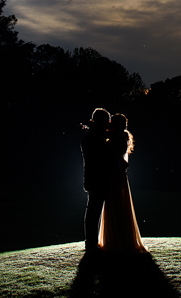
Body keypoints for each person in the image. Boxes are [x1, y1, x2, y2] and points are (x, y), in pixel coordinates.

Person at [98, 113, 147, 254]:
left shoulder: (116, 138)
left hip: (115, 176)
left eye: (111, 123)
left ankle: (115, 240)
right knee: (117, 205)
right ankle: (119, 238)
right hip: (117, 176)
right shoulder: (120, 137)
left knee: (115, 205)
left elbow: (111, 155)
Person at [80, 108, 111, 252]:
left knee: (93, 210)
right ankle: (91, 243)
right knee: (93, 211)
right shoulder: (92, 136)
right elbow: (99, 158)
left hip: (95, 178)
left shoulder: (92, 135)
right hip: (97, 178)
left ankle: (91, 242)